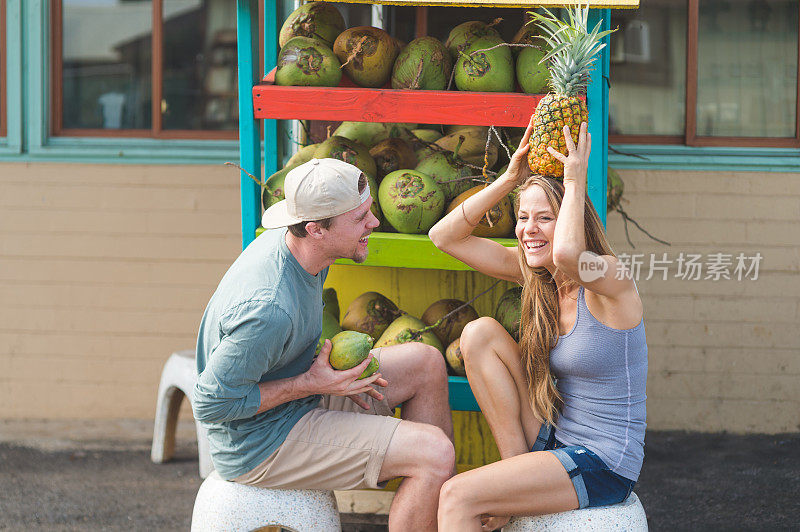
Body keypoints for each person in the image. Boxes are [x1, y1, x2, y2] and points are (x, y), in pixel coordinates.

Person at [192, 158, 455, 531]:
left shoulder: (303, 249)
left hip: (300, 399)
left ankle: (439, 516)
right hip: (260, 443)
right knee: (433, 452)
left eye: (369, 211)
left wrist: (317, 380)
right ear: (315, 229)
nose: (374, 223)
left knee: (426, 362)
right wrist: (310, 384)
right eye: (359, 218)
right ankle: (426, 477)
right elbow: (211, 403)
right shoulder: (269, 308)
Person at [429, 121, 647, 531]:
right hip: (553, 434)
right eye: (522, 217)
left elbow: (568, 254)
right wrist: (509, 179)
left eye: (544, 218)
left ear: (570, 218)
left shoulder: (613, 282)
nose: (528, 230)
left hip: (604, 461)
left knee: (457, 495)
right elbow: (444, 237)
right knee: (479, 334)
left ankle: (512, 489)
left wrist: (574, 179)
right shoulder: (537, 276)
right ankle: (516, 470)